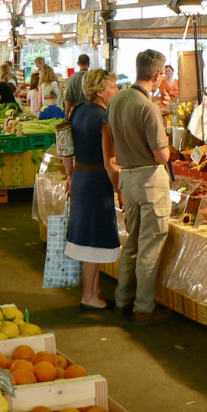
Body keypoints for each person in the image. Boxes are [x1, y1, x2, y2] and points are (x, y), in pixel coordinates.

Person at [109, 50, 173, 325]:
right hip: (150, 181)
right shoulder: (148, 107)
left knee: (131, 243)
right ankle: (143, 309)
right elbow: (162, 156)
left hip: (127, 179)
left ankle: (122, 300)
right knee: (149, 248)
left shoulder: (117, 100)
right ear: (158, 75)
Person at [63, 69, 122, 310]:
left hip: (80, 178)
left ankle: (94, 290)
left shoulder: (76, 112)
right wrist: (120, 189)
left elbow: (65, 147)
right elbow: (110, 162)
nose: (116, 91)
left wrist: (70, 175)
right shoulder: (103, 118)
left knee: (89, 236)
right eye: (113, 87)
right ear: (100, 91)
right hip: (97, 181)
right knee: (94, 240)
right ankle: (88, 295)